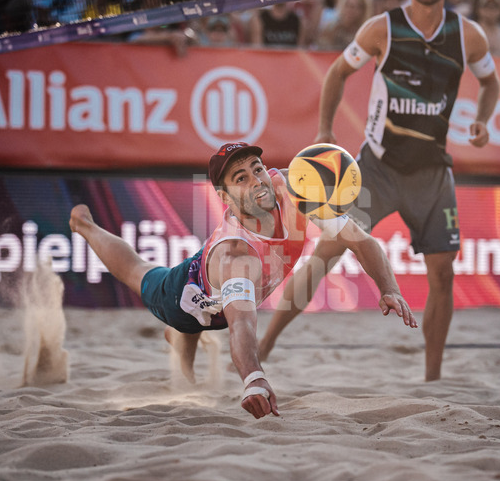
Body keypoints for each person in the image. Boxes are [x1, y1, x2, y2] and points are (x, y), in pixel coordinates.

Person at [259, 0, 500, 382]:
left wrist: (481, 120)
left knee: (443, 275)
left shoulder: (468, 35)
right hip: (377, 169)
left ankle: (433, 379)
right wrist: (324, 130)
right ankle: (263, 346)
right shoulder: (382, 28)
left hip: (432, 173)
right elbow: (336, 73)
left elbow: (490, 82)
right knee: (324, 258)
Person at [68, 143, 417, 418]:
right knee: (138, 272)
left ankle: (182, 337)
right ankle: (85, 226)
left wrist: (389, 289)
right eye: (241, 179)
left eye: (257, 169)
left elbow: (361, 240)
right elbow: (242, 324)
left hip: (216, 283)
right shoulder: (237, 255)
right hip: (187, 293)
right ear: (224, 198)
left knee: (191, 330)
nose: (257, 181)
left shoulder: (293, 192)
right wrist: (253, 379)